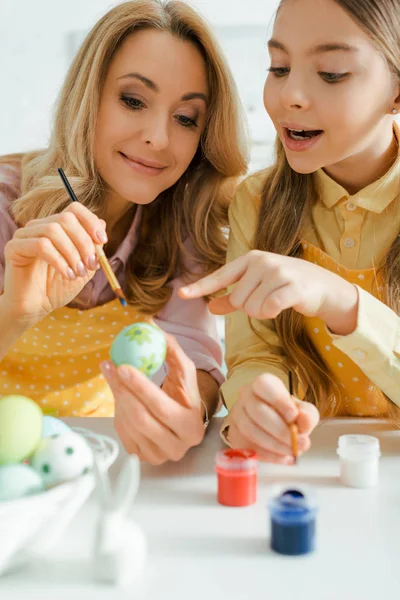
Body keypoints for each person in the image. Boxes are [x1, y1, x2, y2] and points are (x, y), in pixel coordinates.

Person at [0, 0, 248, 465]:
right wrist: (16, 311)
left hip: (96, 460)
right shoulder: (6, 202)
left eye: (186, 117)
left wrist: (188, 408)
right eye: (133, 101)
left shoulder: (182, 220)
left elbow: (195, 357)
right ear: (86, 98)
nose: (158, 137)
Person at [180, 0, 400, 464]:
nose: (289, 96)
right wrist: (256, 397)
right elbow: (254, 354)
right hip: (304, 471)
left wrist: (338, 299)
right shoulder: (255, 203)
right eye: (279, 67)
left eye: (332, 73)